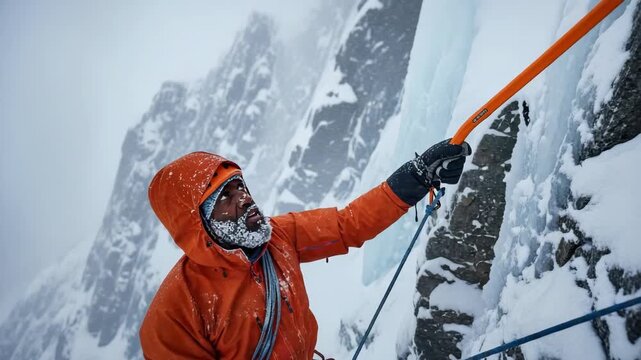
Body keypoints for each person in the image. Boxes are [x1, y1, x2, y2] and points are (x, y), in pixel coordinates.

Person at [139, 139, 471, 359]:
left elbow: (347, 225)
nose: (244, 197)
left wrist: (416, 177)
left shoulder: (278, 237)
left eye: (239, 185)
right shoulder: (175, 313)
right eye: (224, 197)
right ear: (199, 224)